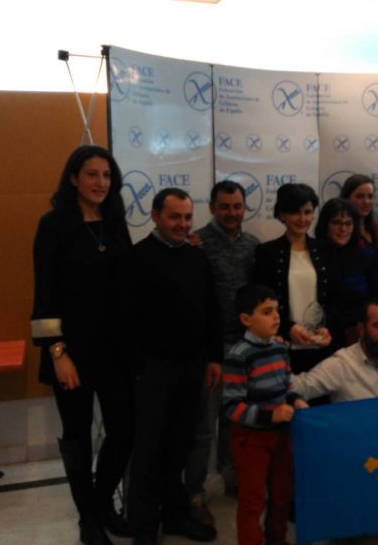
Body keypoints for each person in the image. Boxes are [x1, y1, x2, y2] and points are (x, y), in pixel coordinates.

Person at [31, 145, 134, 545]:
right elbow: (44, 293)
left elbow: (130, 280)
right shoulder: (53, 225)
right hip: (70, 353)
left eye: (107, 175)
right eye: (92, 174)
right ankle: (88, 520)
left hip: (115, 352)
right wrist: (57, 353)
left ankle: (101, 503)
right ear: (73, 178)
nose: (100, 183)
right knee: (77, 435)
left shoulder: (115, 222)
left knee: (124, 429)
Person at [125, 188, 221, 545]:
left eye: (187, 217)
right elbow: (125, 320)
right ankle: (144, 528)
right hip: (153, 371)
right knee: (149, 450)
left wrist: (214, 357)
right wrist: (138, 367)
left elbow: (211, 309)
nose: (182, 224)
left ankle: (175, 516)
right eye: (174, 217)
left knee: (180, 446)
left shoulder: (196, 256)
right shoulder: (137, 258)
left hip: (192, 367)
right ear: (155, 216)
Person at [185, 180, 259, 523]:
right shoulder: (195, 243)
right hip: (210, 351)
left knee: (235, 421)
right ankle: (194, 492)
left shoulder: (253, 245)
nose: (232, 213)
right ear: (212, 208)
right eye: (225, 207)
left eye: (237, 206)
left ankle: (233, 479)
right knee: (203, 427)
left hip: (245, 348)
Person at [222, 284, 308, 545]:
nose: (276, 317)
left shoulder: (280, 348)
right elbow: (231, 407)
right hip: (251, 439)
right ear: (246, 319)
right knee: (253, 500)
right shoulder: (239, 355)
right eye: (267, 312)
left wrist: (297, 400)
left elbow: (287, 386)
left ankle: (277, 539)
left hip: (281, 436)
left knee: (282, 496)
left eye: (277, 311)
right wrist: (270, 416)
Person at [254, 183, 336, 375]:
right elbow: (260, 303)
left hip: (321, 347)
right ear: (282, 215)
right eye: (295, 212)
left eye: (308, 212)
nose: (303, 219)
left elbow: (336, 297)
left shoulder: (326, 250)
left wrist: (328, 328)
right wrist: (288, 329)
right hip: (282, 347)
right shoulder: (267, 252)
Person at [314, 197, 378, 347]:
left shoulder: (367, 257)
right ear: (325, 224)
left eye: (348, 223)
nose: (343, 229)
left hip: (358, 337)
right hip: (318, 337)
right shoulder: (313, 254)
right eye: (337, 223)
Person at [340, 174, 378, 249]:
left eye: (370, 196)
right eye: (360, 196)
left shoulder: (373, 227)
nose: (366, 202)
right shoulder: (342, 229)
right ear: (347, 198)